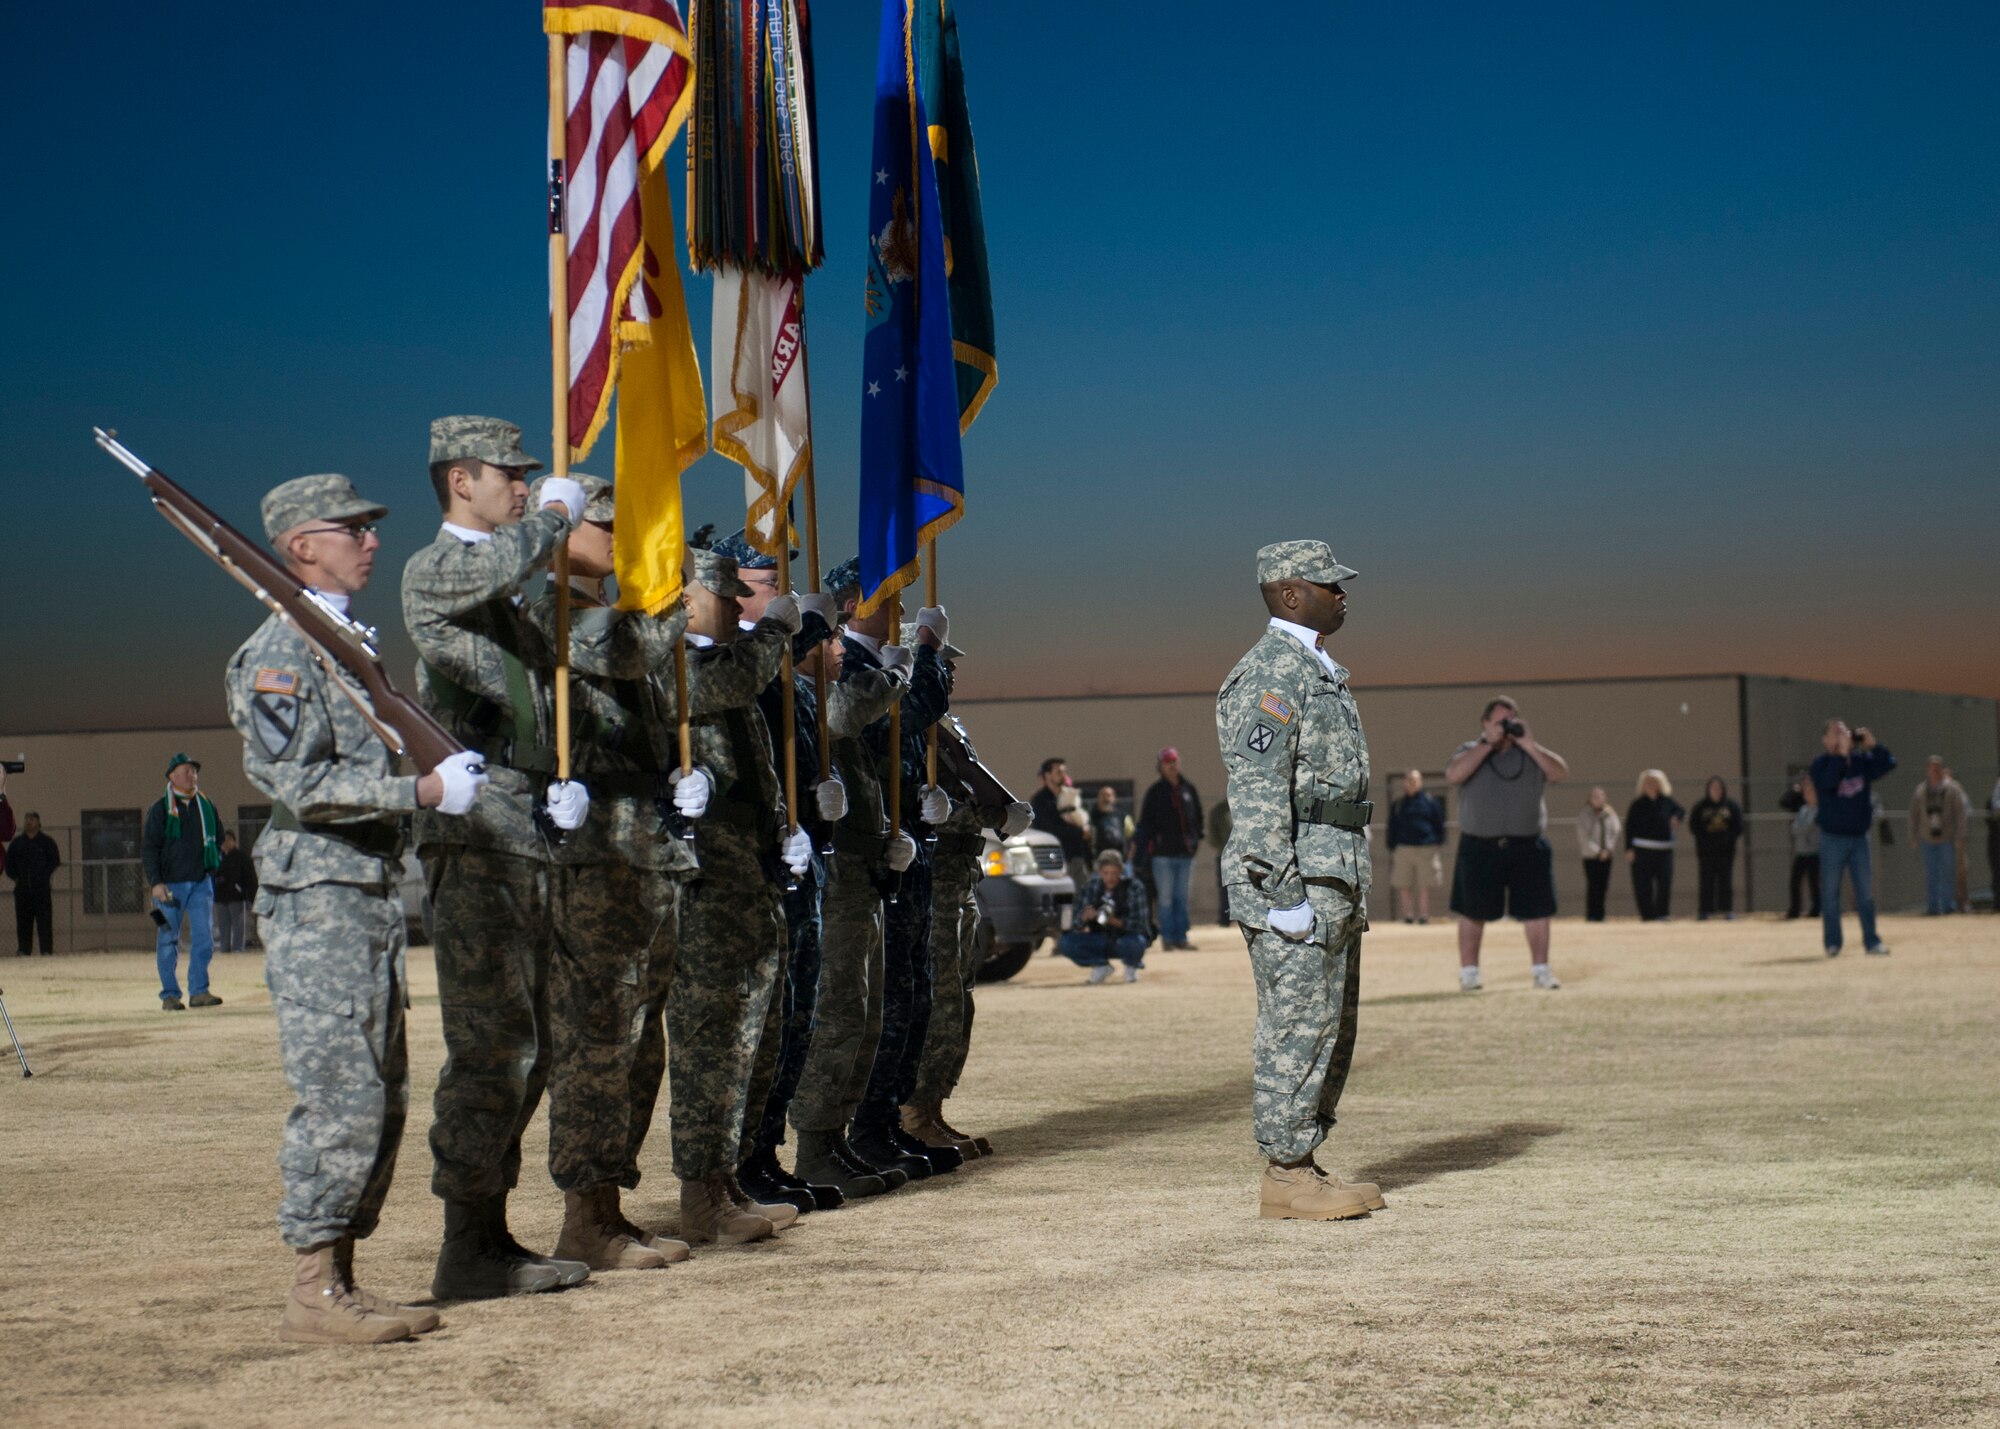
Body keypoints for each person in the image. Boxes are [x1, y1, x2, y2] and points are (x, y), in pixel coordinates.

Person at [227, 471, 490, 1343]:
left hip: (367, 890)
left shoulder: (344, 646)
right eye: (354, 527)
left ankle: (342, 1276)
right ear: (300, 544)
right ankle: (311, 1287)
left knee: (381, 1095)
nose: (372, 539)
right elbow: (293, 779)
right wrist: (418, 786)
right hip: (319, 892)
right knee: (338, 1092)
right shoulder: (278, 654)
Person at [401, 415, 596, 1300]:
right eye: (509, 476)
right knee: (491, 1044)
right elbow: (497, 562)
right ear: (460, 481)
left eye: (529, 478)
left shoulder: (509, 594)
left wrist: (564, 774)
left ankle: (490, 1229)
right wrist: (553, 520)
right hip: (474, 841)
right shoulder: (437, 567)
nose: (524, 486)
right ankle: (466, 1241)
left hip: (528, 828)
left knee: (537, 1040)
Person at [524, 477, 732, 1269]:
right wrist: (680, 597)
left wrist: (679, 782)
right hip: (592, 859)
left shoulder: (615, 618)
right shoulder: (552, 613)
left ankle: (611, 1204)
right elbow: (628, 649)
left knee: (641, 1046)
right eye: (604, 522)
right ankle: (585, 1213)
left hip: (643, 852)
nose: (617, 535)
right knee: (597, 1039)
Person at [1217, 540, 1382, 1223]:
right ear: (1290, 594)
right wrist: (1283, 896)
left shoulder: (1316, 669)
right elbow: (1257, 791)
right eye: (1329, 585)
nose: (1343, 595)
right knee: (1297, 1024)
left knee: (1328, 1028)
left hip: (1331, 873)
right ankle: (1285, 1171)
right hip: (1297, 881)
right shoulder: (1273, 672)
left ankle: (1302, 1160)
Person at [669, 544, 811, 1243]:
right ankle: (701, 1193)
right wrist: (780, 631)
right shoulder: (680, 664)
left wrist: (784, 829)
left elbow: (755, 764)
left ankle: (726, 1179)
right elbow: (725, 685)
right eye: (723, 595)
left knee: (753, 1036)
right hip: (705, 882)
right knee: (710, 1039)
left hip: (747, 870)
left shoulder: (725, 668)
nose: (735, 607)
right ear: (687, 598)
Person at [709, 529, 851, 1214]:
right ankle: (740, 1164)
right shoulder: (734, 662)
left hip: (791, 859)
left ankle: (762, 1155)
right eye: (766, 585)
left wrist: (817, 817)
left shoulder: (779, 674)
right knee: (758, 1023)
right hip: (747, 866)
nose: (775, 595)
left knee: (795, 1019)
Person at [786, 558, 923, 1198]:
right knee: (837, 1016)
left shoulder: (824, 696)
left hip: (862, 871)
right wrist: (903, 667)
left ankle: (837, 1140)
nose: (840, 648)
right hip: (835, 878)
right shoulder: (808, 696)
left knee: (861, 1017)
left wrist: (885, 836)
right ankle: (814, 1147)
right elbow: (846, 715)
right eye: (832, 639)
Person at [1444, 697, 1569, 992]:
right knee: (1473, 910)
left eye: (1511, 720)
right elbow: (1454, 774)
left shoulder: (1530, 753)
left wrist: (1529, 744)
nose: (1506, 727)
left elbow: (1559, 773)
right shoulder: (1470, 751)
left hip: (1527, 845)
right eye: (1500, 721)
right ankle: (1470, 972)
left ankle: (1542, 971)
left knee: (1538, 910)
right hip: (1479, 846)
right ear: (1485, 724)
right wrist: (1488, 744)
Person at [1808, 720, 1896, 957]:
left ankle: (1872, 941)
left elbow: (1888, 764)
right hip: (1832, 838)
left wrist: (1874, 746)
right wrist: (1842, 755)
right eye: (1835, 733)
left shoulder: (1860, 761)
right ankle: (1833, 943)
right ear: (1825, 740)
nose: (1841, 736)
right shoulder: (1821, 764)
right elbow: (1827, 783)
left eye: (1844, 732)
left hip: (1859, 838)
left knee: (1865, 894)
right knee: (1830, 893)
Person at [144, 753, 223, 1011]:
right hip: (169, 887)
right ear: (172, 776)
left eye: (194, 771)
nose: (192, 775)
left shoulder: (206, 806)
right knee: (167, 939)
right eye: (187, 770)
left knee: (204, 937)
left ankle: (199, 991)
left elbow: (218, 836)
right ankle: (170, 994)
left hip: (201, 883)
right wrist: (155, 882)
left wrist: (210, 864)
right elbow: (149, 848)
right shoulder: (160, 810)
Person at [1136, 748, 1205, 951]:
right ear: (1161, 766)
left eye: (1174, 761)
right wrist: (1150, 845)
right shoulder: (1155, 792)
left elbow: (1198, 817)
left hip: (1185, 854)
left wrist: (1195, 841)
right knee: (1165, 899)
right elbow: (1146, 822)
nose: (1172, 765)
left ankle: (1181, 937)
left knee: (1181, 898)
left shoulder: (1188, 789)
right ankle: (1167, 938)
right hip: (1162, 856)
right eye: (1167, 762)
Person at [1058, 848, 1154, 983]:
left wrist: (1112, 920)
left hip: (1126, 939)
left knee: (1136, 942)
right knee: (1066, 942)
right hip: (1099, 938)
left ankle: (1131, 966)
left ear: (1121, 871)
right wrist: (1084, 918)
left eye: (1114, 873)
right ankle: (1100, 966)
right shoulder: (1091, 887)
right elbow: (1073, 923)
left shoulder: (1134, 887)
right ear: (1099, 872)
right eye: (1106, 873)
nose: (1110, 878)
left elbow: (1139, 925)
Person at [1907, 757, 1968, 916]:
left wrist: (1960, 836)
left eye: (1938, 768)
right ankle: (1933, 908)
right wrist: (1912, 836)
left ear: (1942, 769)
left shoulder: (1952, 789)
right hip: (1926, 837)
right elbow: (1913, 814)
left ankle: (1948, 907)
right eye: (1932, 768)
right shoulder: (1920, 790)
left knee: (1948, 873)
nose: (1935, 771)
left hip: (1947, 837)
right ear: (1927, 770)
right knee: (1931, 873)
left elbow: (1960, 813)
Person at [1385, 769, 1445, 925]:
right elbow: (1392, 826)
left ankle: (1424, 916)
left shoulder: (1430, 801)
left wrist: (1437, 841)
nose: (1412, 783)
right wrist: (1392, 845)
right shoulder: (1398, 804)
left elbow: (1439, 824)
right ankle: (1408, 916)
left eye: (1415, 780)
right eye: (1409, 780)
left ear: (1420, 782)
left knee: (1425, 883)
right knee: (1403, 883)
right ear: (1404, 782)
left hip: (1426, 848)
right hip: (1403, 848)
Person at [1624, 771, 1683, 922]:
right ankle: (1647, 915)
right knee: (1643, 885)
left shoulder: (1667, 802)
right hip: (1642, 849)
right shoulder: (1637, 804)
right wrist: (1629, 848)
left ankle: (1662, 914)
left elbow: (1680, 811)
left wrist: (1676, 818)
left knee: (1664, 883)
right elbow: (1629, 827)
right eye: (1648, 781)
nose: (1651, 785)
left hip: (1664, 849)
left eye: (1655, 781)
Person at [1688, 777, 1745, 920]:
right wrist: (1705, 840)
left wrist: (1727, 840)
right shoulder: (1700, 806)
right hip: (1706, 851)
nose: (1716, 791)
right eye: (1713, 788)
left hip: (1726, 851)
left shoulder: (1731, 806)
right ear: (1708, 790)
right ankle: (1705, 910)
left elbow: (1738, 826)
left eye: (1718, 788)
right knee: (1706, 880)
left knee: (1725, 880)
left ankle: (1727, 910)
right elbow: (1693, 826)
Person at [7, 807, 60, 957]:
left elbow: (54, 860)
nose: (29, 821)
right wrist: (17, 879)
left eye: (32, 819)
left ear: (39, 822)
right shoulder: (17, 844)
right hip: (22, 891)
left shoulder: (47, 843)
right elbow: (8, 865)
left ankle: (46, 951)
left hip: (41, 890)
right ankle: (24, 950)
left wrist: (44, 876)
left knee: (44, 921)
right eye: (27, 819)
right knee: (23, 922)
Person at [1030, 758, 1091, 886]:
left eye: (1064, 772)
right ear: (1047, 776)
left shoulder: (1068, 797)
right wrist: (1080, 832)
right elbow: (1052, 828)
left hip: (1076, 855)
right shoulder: (1041, 801)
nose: (1063, 775)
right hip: (1056, 858)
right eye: (1058, 772)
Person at [1574, 786, 1620, 923]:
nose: (1598, 799)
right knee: (1593, 885)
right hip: (1590, 856)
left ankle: (1601, 915)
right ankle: (1591, 915)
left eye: (1600, 796)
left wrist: (1608, 849)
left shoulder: (1610, 814)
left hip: (1606, 855)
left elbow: (1615, 831)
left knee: (1603, 885)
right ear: (1589, 799)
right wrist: (1598, 851)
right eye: (1594, 796)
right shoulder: (1584, 815)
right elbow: (1583, 837)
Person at [212, 831, 257, 953]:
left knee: (238, 925)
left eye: (228, 840)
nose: (225, 843)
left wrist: (249, 895)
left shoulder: (241, 857)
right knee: (223, 926)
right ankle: (224, 949)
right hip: (220, 897)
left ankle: (238, 949)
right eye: (223, 840)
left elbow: (250, 877)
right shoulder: (217, 856)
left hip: (236, 897)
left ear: (234, 841)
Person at [1782, 782, 1821, 919]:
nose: (1808, 795)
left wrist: (1802, 828)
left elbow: (1811, 826)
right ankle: (1795, 909)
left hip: (1814, 852)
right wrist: (1803, 828)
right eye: (1806, 793)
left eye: (1811, 793)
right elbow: (1795, 828)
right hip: (1801, 851)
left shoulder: (1820, 810)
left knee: (1814, 882)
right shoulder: (1803, 810)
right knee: (1795, 880)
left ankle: (1816, 909)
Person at [1209, 797, 1233, 925]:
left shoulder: (1247, 805)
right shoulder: (1219, 810)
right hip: (1225, 855)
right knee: (1225, 888)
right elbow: (1212, 835)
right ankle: (1225, 917)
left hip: (1247, 855)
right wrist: (1223, 849)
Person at [1088, 786, 1128, 863]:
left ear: (1114, 798)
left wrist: (1129, 855)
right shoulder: (1091, 816)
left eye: (1109, 795)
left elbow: (1130, 835)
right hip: (1099, 860)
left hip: (1120, 859)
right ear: (1098, 798)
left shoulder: (1121, 815)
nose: (1106, 799)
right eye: (1103, 795)